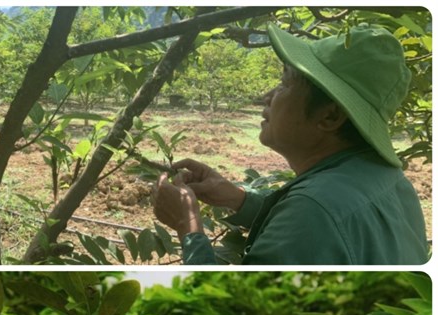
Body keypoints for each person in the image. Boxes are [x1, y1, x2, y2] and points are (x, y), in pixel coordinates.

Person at [151, 24, 429, 265]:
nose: (266, 96)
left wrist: (187, 226)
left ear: (329, 116)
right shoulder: (390, 180)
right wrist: (240, 200)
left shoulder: (311, 210)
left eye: (284, 83)